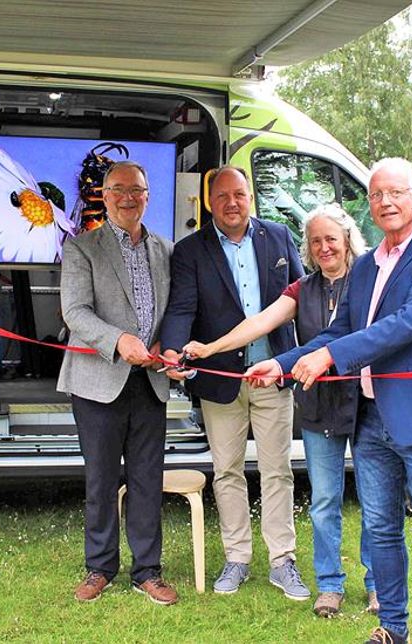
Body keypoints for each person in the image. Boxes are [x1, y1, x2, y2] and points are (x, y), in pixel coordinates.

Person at [246, 158, 412, 644]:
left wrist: (330, 356)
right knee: (382, 528)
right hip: (371, 420)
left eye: (396, 192)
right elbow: (339, 329)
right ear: (369, 205)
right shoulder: (369, 264)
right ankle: (393, 628)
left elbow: (406, 325)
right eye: (377, 195)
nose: (387, 202)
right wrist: (284, 364)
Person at [181, 203, 377, 617]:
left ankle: (377, 584)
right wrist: (211, 348)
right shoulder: (302, 288)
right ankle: (330, 585)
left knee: (375, 501)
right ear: (307, 248)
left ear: (347, 241)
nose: (324, 248)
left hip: (366, 405)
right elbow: (260, 323)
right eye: (316, 241)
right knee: (324, 499)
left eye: (331, 240)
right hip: (319, 406)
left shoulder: (370, 279)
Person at [160, 165, 308, 598]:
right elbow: (182, 309)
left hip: (274, 376)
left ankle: (283, 561)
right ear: (209, 202)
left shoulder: (278, 237)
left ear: (250, 197)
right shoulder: (190, 251)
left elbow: (301, 296)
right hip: (220, 379)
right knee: (227, 472)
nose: (231, 203)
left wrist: (314, 356)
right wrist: (173, 350)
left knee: (277, 471)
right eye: (222, 196)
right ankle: (237, 558)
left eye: (239, 195)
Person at [57, 160, 179, 606]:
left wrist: (169, 347)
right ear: (104, 197)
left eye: (137, 190)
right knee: (102, 480)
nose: (129, 197)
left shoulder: (166, 249)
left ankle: (147, 571)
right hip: (97, 382)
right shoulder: (81, 248)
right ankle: (99, 568)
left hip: (150, 383)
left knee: (148, 479)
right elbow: (75, 311)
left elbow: (174, 312)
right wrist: (119, 339)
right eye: (118, 190)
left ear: (148, 195)